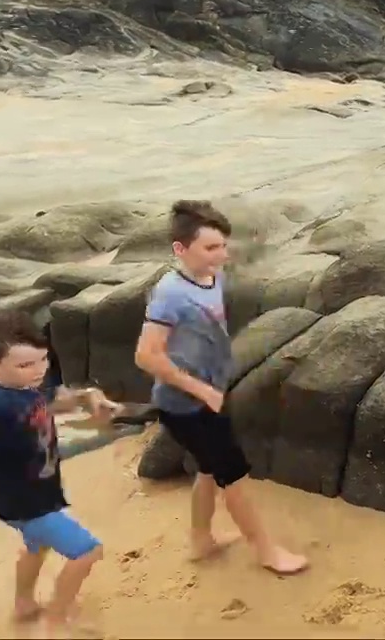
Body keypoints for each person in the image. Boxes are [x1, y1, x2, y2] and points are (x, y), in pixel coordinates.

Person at [133, 200, 308, 576]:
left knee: (210, 471)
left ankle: (201, 540)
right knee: (234, 477)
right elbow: (146, 356)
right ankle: (266, 551)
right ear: (180, 249)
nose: (222, 255)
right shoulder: (170, 293)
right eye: (211, 248)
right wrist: (200, 389)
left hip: (209, 394)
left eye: (223, 246)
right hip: (187, 404)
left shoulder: (210, 277)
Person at [0, 309, 121, 636]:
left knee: (36, 546)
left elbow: (50, 404)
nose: (39, 370)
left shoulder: (26, 385)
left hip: (39, 490)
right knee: (87, 551)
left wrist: (89, 397)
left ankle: (24, 604)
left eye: (43, 360)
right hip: (23, 502)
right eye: (26, 364)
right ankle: (58, 620)